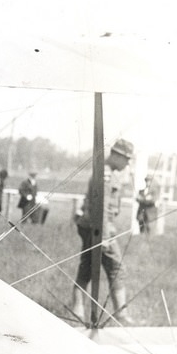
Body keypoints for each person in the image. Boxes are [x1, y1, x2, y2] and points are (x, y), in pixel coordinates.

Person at [72, 138, 134, 326]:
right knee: (117, 268)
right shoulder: (106, 174)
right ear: (116, 155)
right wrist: (104, 237)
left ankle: (77, 310)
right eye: (126, 159)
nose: (128, 163)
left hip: (90, 226)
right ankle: (121, 315)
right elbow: (102, 207)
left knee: (87, 268)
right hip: (98, 229)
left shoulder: (105, 171)